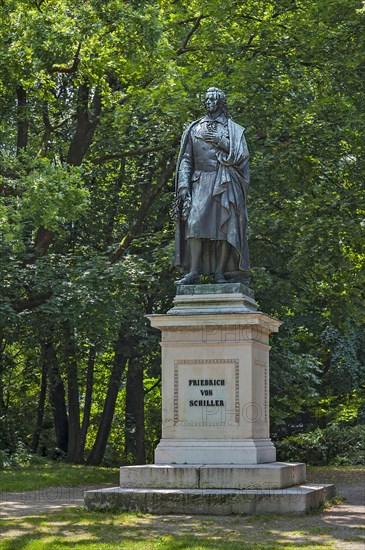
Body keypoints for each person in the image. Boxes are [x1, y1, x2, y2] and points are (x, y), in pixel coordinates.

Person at [174, 87, 250, 284]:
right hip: (199, 182)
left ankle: (219, 272)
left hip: (224, 181)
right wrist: (183, 185)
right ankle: (193, 271)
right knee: (194, 225)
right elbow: (186, 159)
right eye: (206, 100)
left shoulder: (233, 130)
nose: (209, 103)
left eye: (213, 100)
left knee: (225, 227)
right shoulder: (194, 128)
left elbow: (242, 157)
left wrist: (221, 141)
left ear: (221, 103)